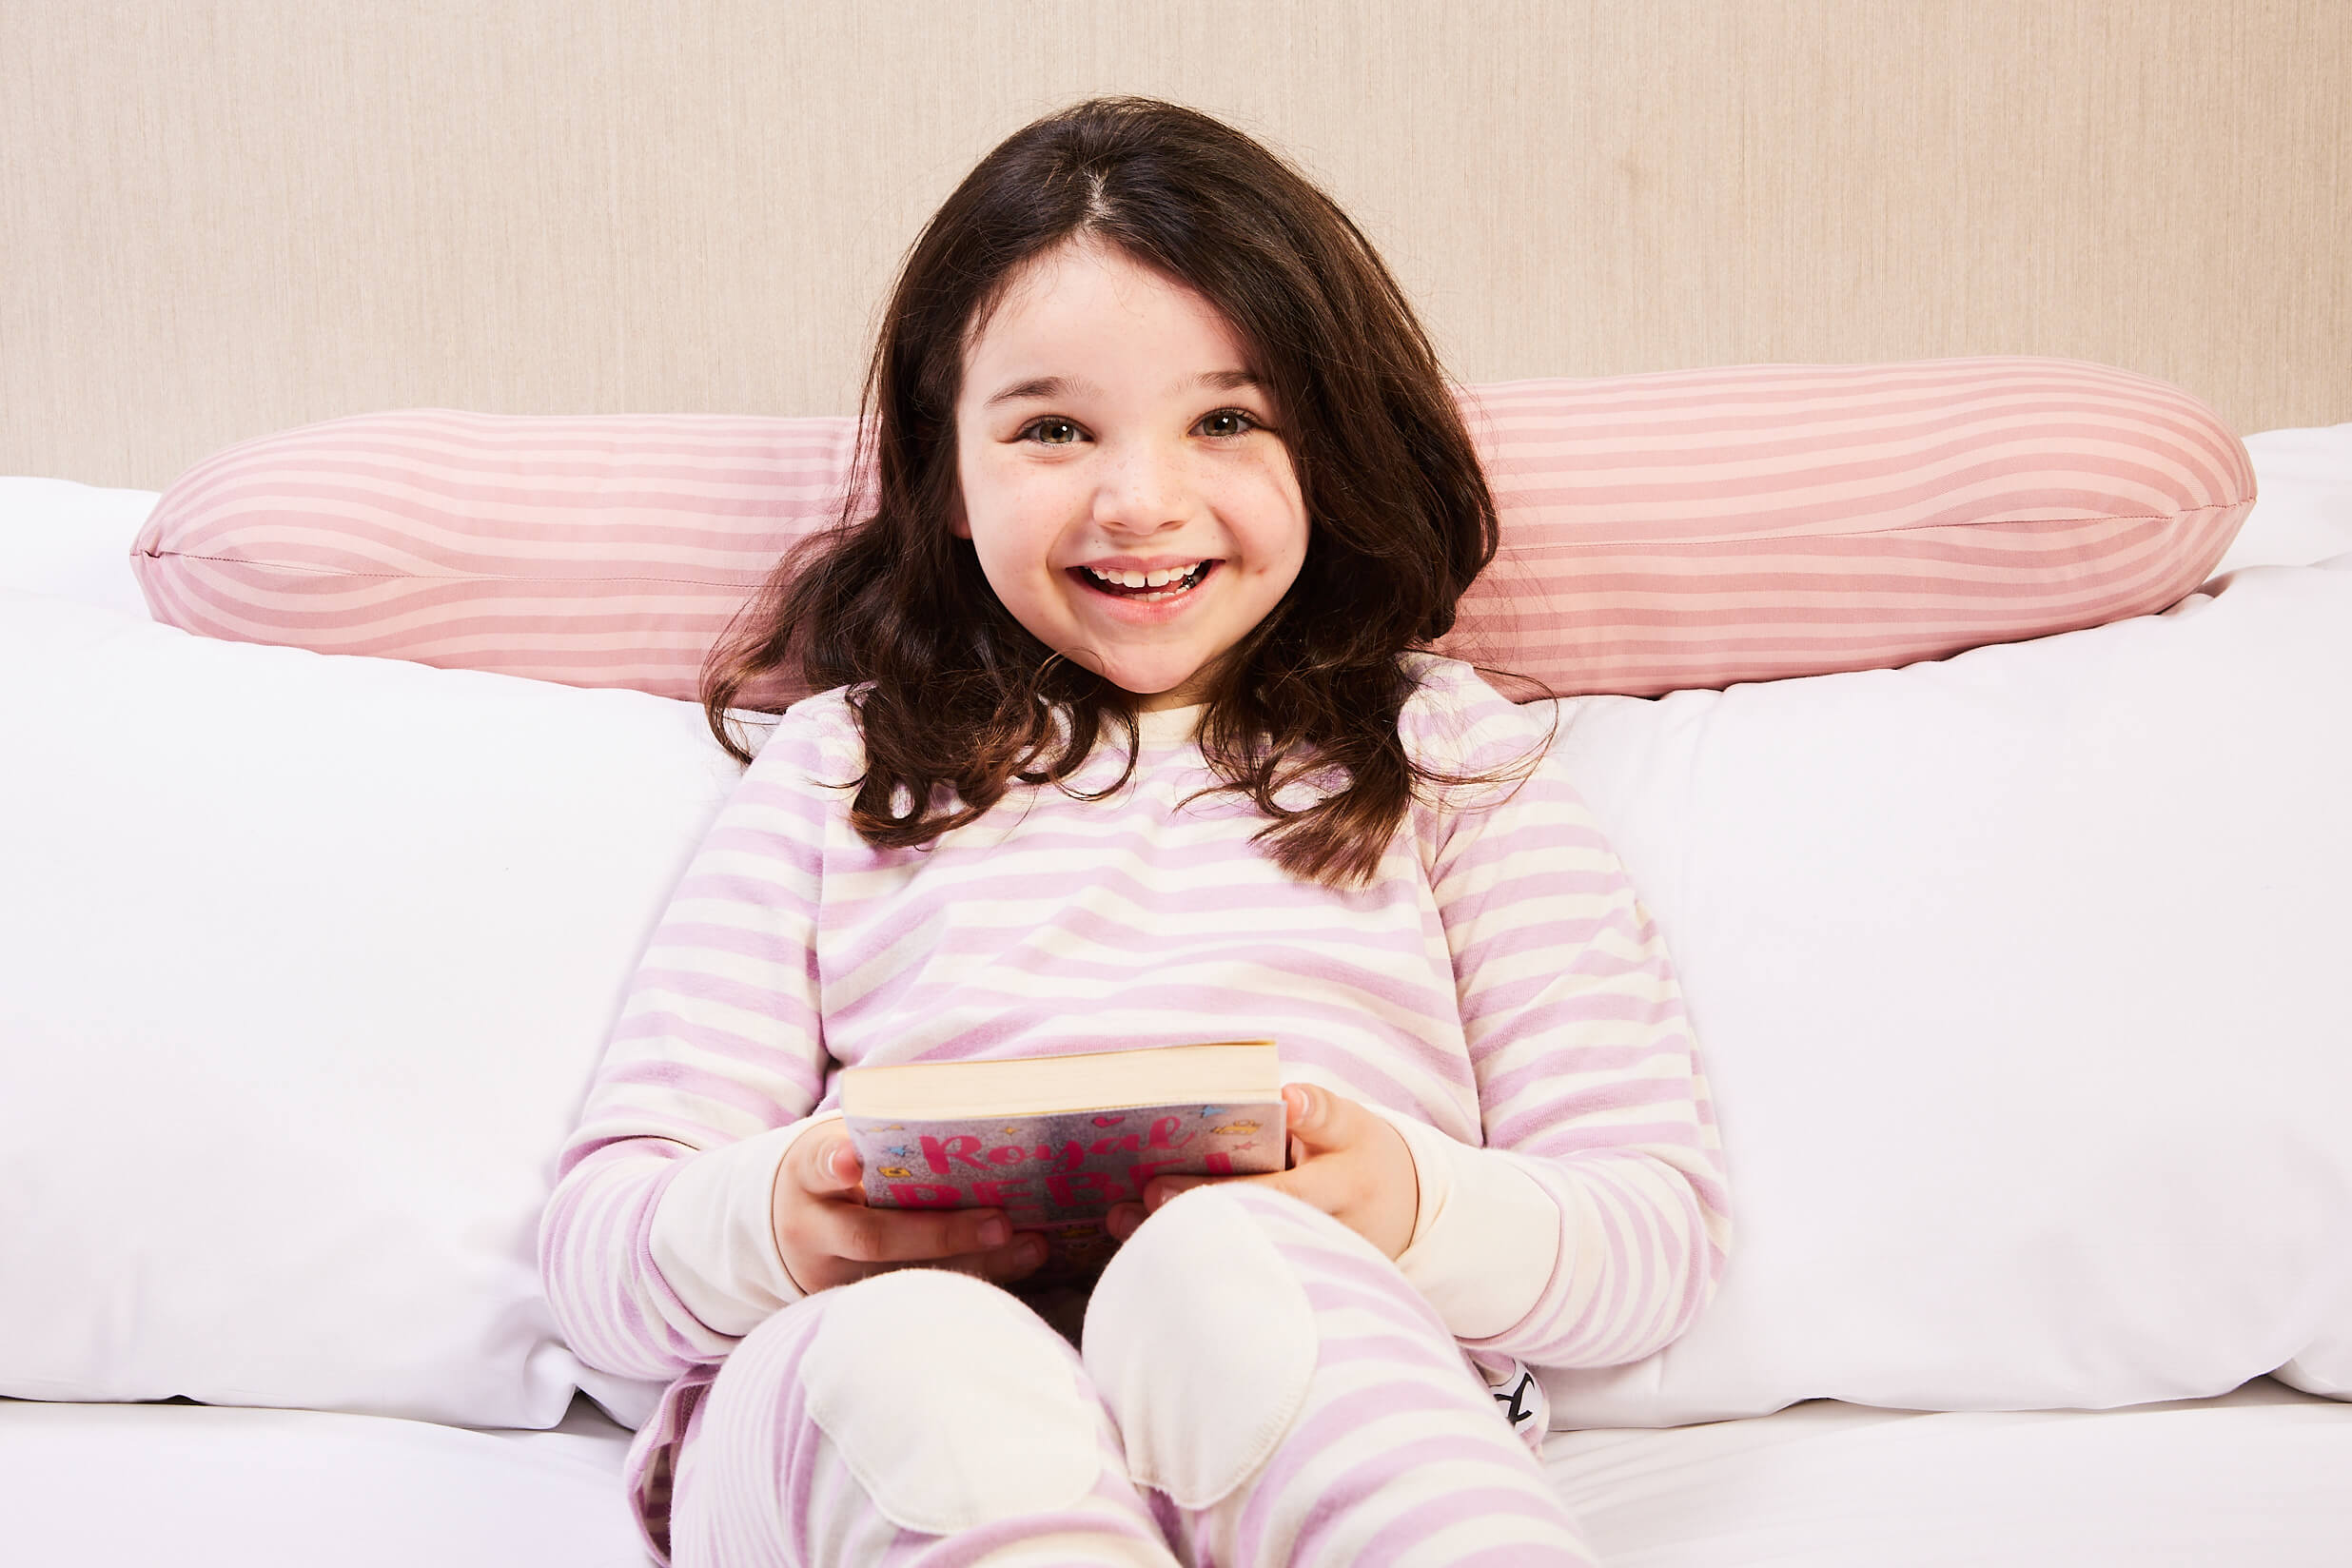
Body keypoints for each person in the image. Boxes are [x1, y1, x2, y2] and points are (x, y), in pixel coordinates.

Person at [541, 95, 1730, 1568]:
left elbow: (1653, 1232)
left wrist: (1401, 1202)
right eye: (1052, 429)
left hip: (1296, 1381)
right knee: (922, 1356)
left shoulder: (1443, 755)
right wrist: (790, 1218)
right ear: (947, 469)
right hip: (870, 1384)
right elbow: (599, 1253)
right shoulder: (837, 765)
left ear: (1332, 443)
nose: (1140, 503)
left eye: (1227, 420)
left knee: (1236, 1269)